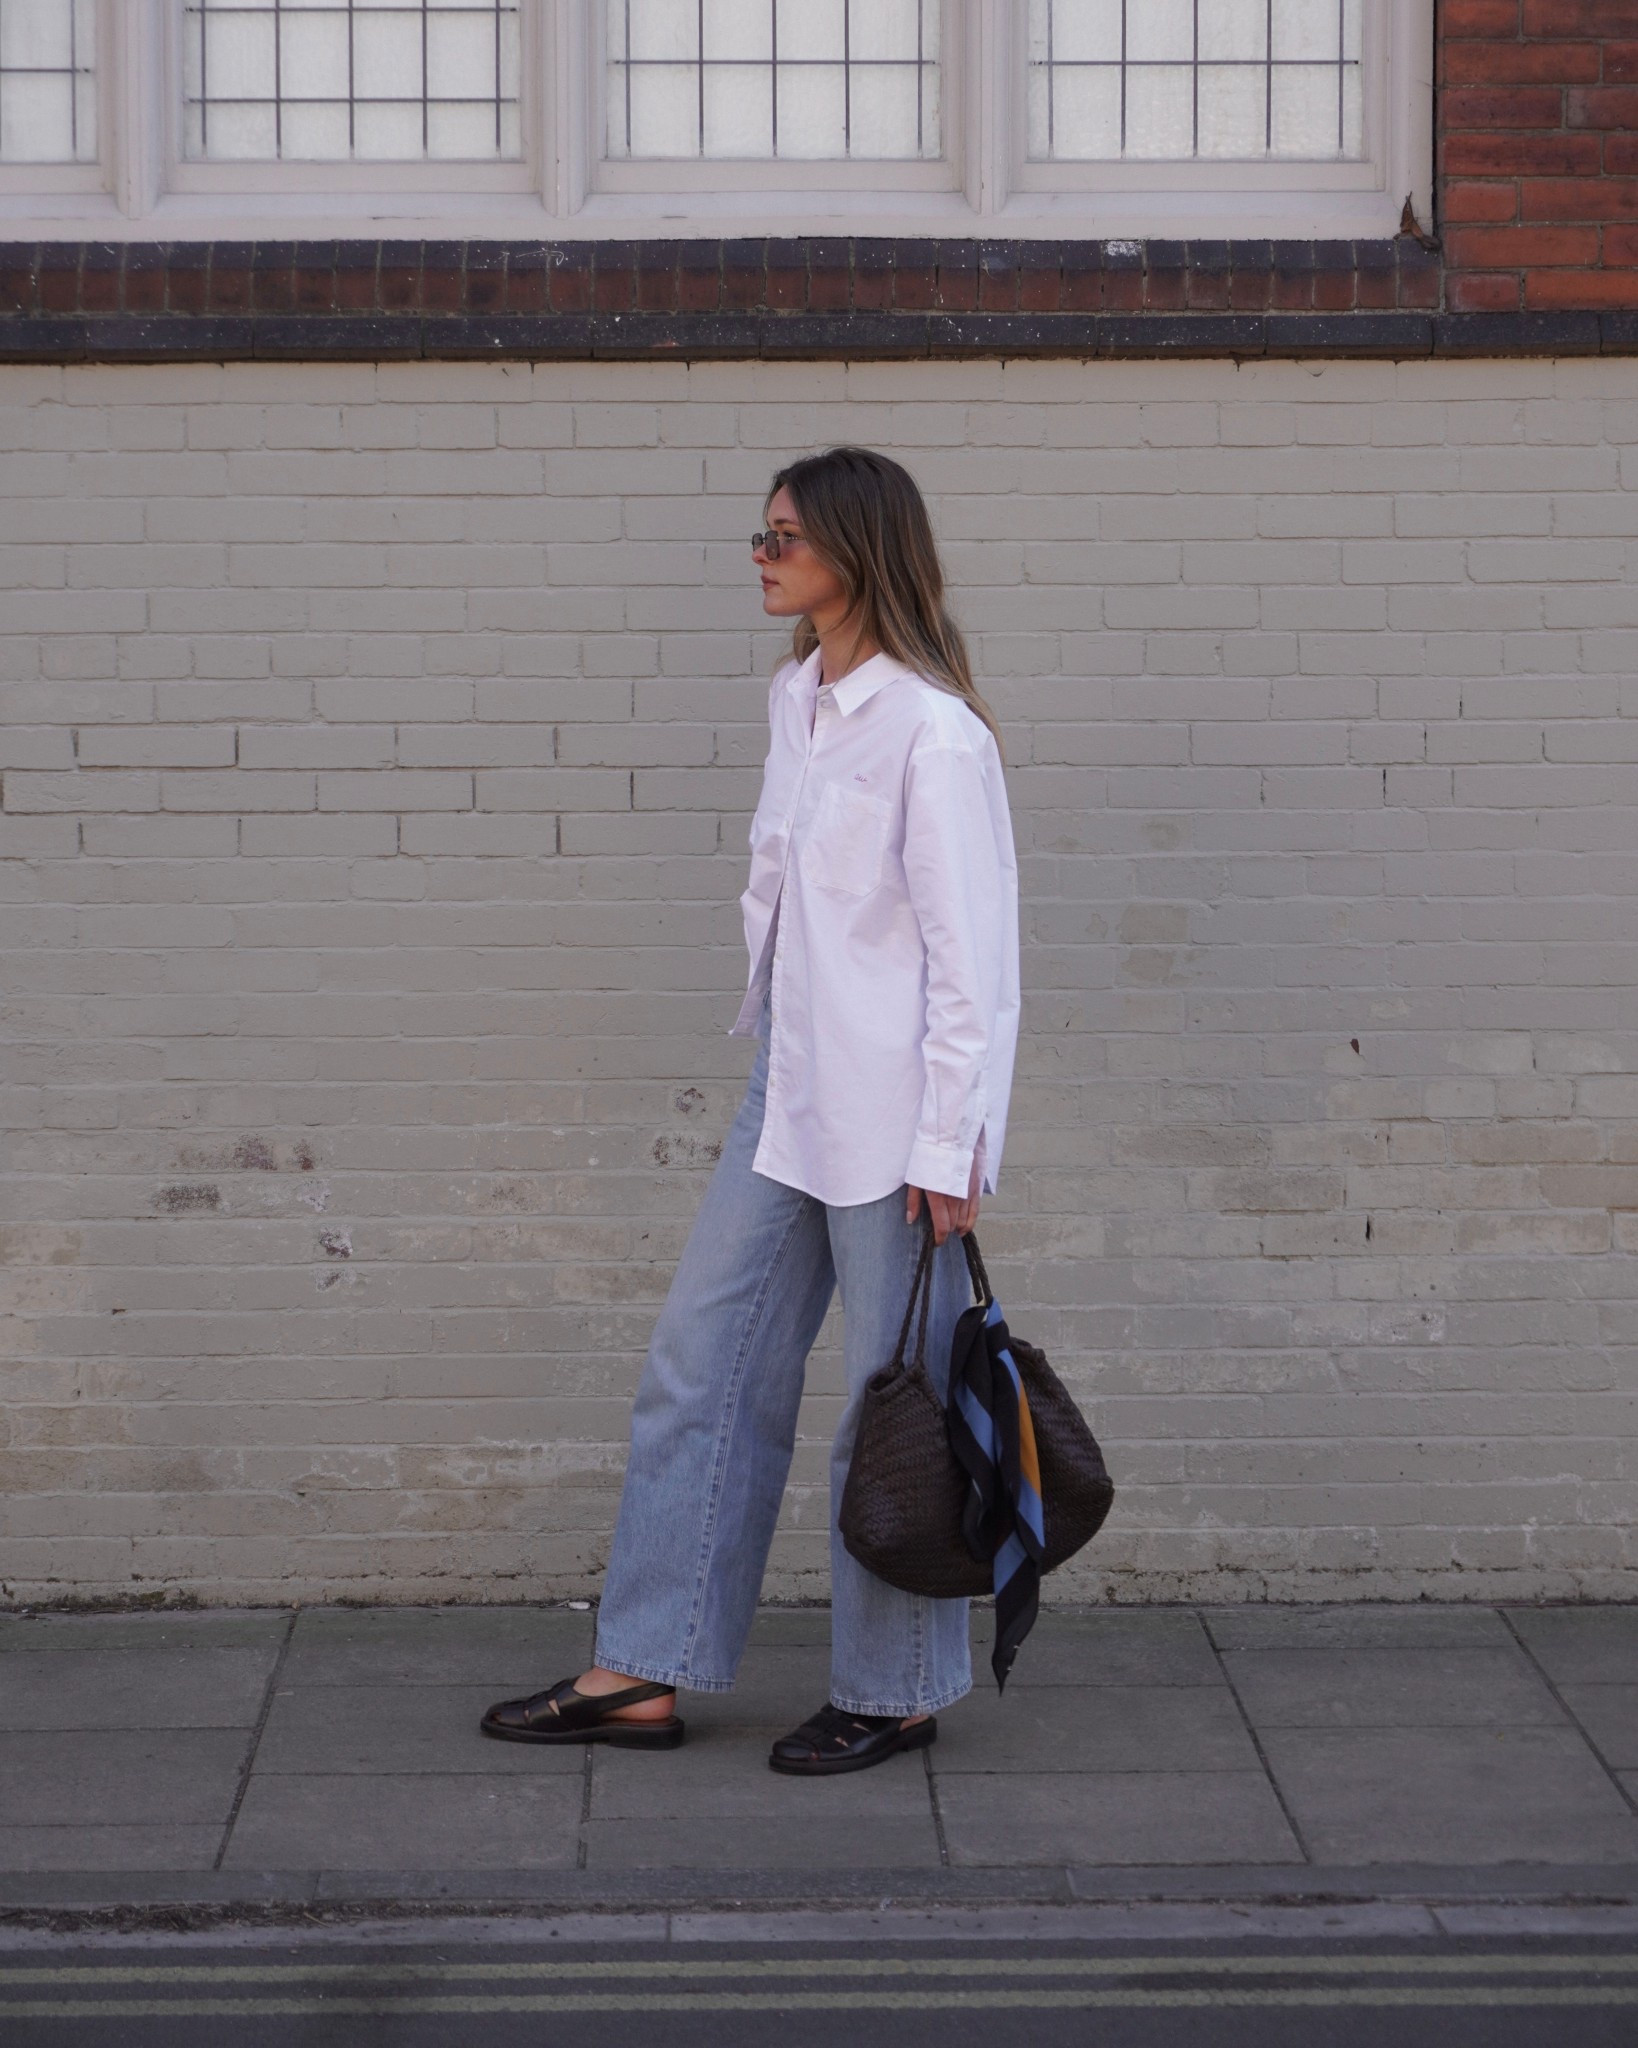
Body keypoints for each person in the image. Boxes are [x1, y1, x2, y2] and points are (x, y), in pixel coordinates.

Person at [481, 446, 1020, 1776]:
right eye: (759, 535)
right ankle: (642, 1670)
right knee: (698, 1373)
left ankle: (893, 1685)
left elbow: (975, 961)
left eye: (785, 535)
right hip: (788, 1089)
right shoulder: (800, 700)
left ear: (856, 548)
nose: (763, 554)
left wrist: (950, 1143)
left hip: (896, 1121)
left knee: (887, 1408)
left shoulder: (931, 732)